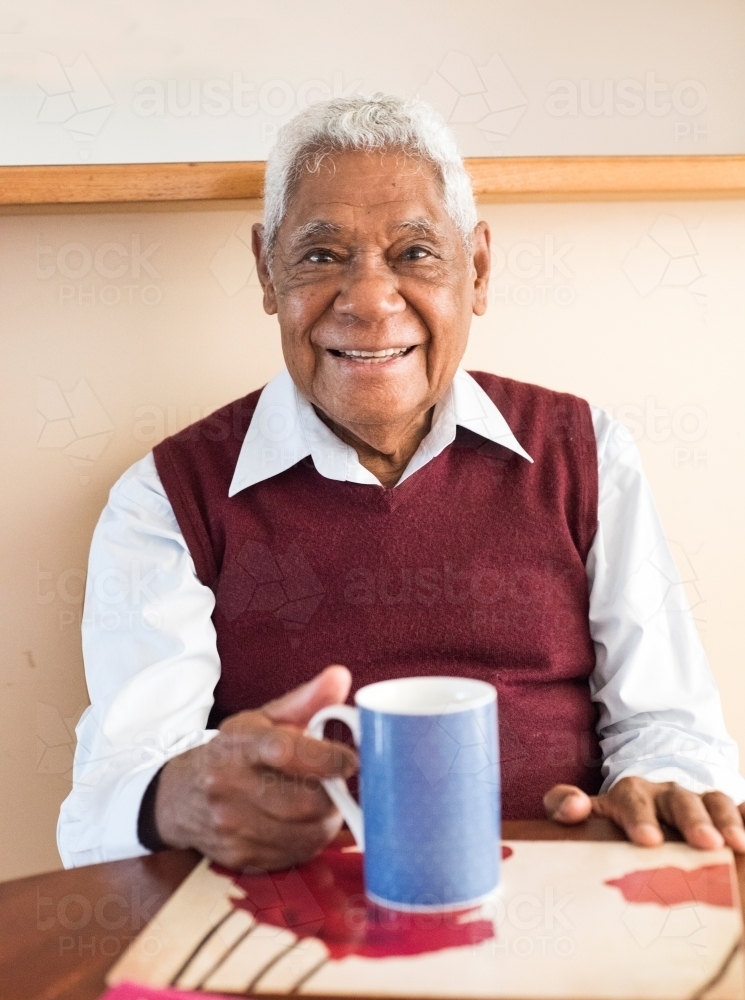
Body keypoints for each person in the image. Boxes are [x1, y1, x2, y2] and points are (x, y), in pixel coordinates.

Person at [58, 94, 745, 872]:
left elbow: (669, 723)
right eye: (320, 256)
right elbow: (110, 793)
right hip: (295, 924)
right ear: (265, 269)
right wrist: (177, 795)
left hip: (564, 899)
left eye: (415, 253)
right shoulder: (167, 496)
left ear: (476, 268)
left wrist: (659, 787)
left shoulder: (582, 449)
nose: (370, 301)